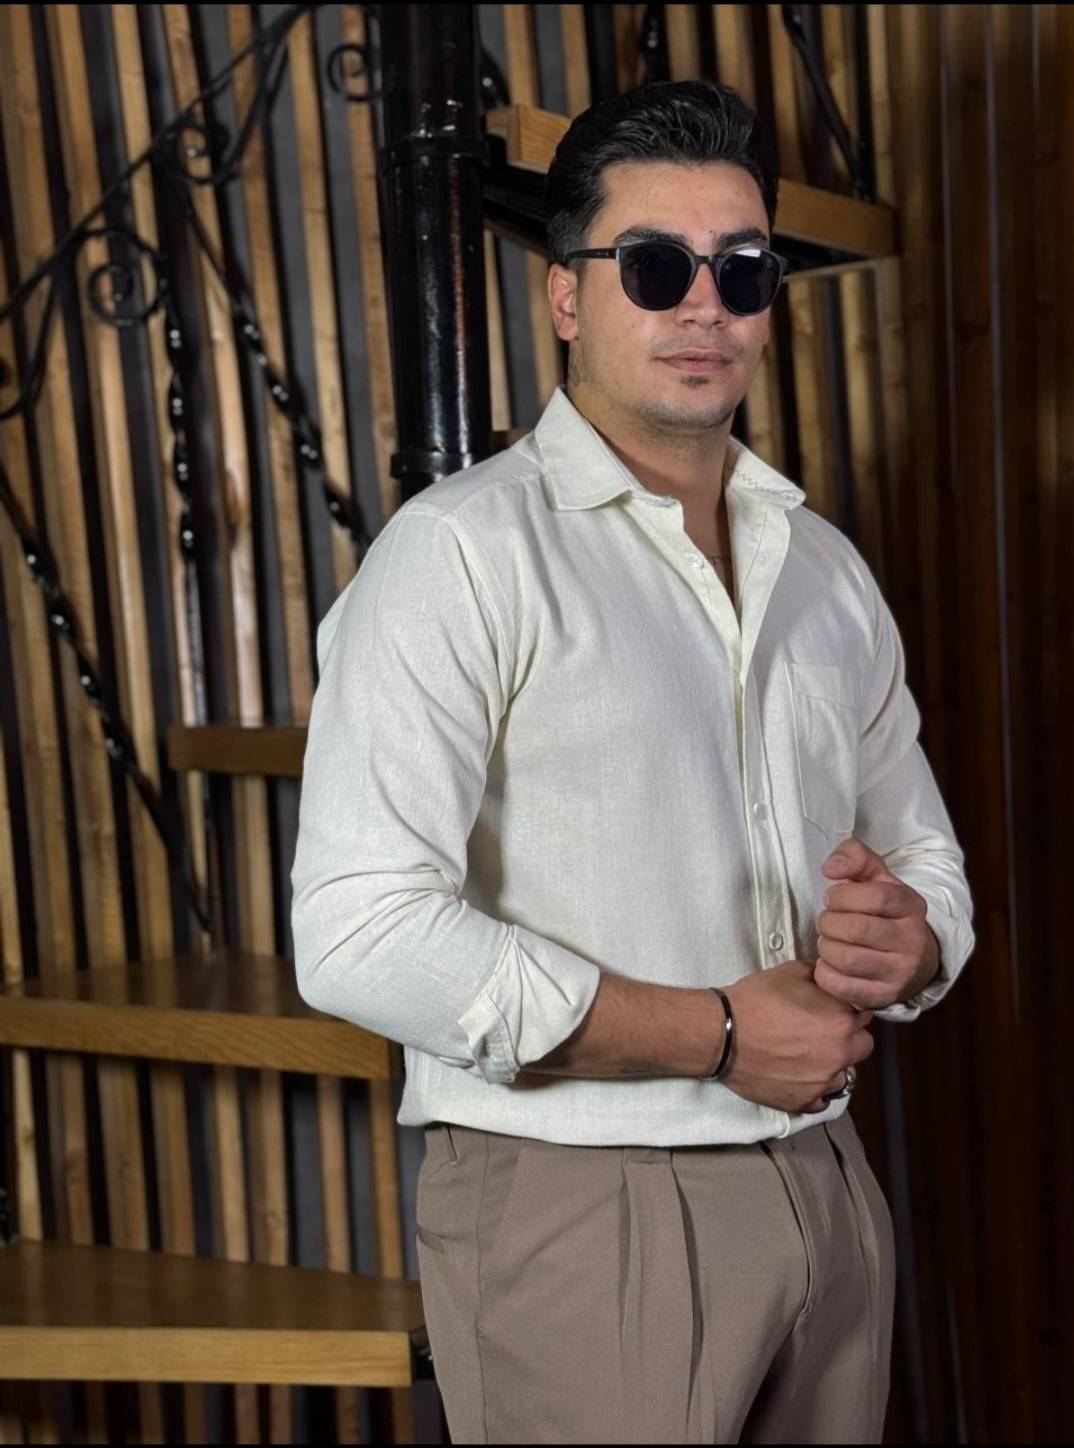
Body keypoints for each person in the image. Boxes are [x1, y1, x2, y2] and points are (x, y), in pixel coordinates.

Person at [291, 79, 975, 1445]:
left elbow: (925, 861)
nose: (703, 305)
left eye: (742, 269)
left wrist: (910, 944)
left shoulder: (825, 569)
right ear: (567, 296)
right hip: (581, 1199)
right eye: (655, 266)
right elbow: (357, 934)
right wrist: (716, 1034)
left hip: (827, 1185)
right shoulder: (461, 555)